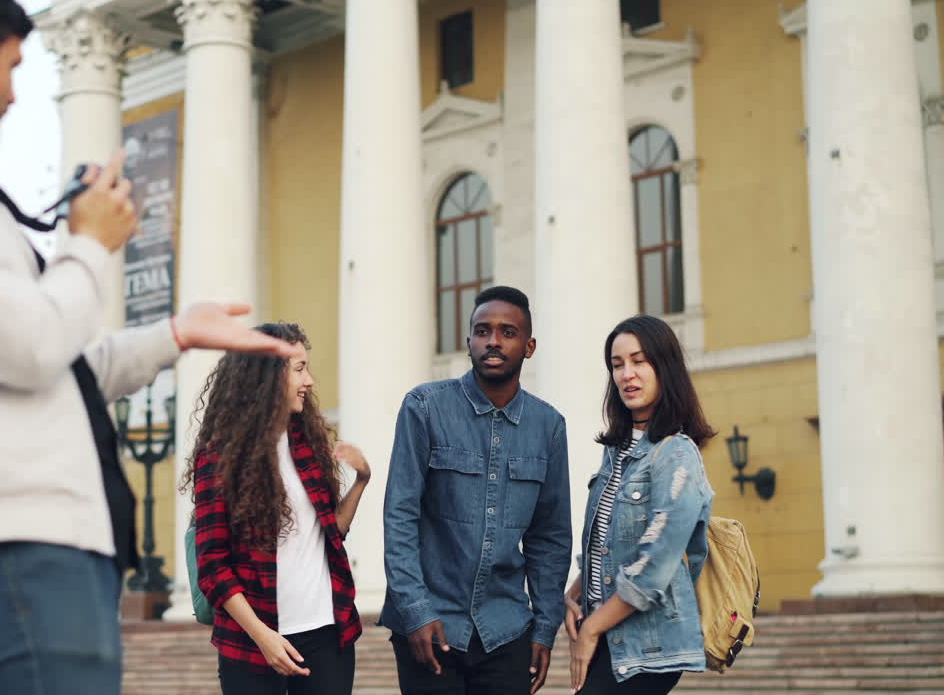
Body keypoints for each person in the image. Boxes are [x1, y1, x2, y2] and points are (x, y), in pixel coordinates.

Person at [0, 0, 295, 693]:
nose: (14, 95)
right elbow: (32, 343)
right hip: (7, 538)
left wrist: (176, 333)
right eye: (14, 68)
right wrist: (91, 245)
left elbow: (57, 363)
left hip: (39, 540)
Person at [381, 286, 571, 695]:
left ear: (529, 345)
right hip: (429, 627)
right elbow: (400, 516)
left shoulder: (549, 427)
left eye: (508, 332)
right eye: (482, 331)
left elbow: (550, 537)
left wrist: (545, 627)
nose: (494, 341)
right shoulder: (424, 407)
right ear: (468, 341)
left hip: (506, 630)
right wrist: (414, 610)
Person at [185, 322, 369, 695]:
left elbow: (331, 533)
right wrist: (264, 637)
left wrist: (362, 480)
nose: (310, 381)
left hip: (326, 634)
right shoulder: (218, 458)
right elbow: (213, 567)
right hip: (252, 644)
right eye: (299, 368)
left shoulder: (307, 444)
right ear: (266, 376)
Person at [563, 315, 716, 694]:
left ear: (664, 367)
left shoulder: (675, 454)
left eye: (639, 361)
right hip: (608, 636)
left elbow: (654, 568)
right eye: (617, 365)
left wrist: (592, 628)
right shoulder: (616, 453)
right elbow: (613, 541)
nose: (626, 374)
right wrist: (577, 589)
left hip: (646, 645)